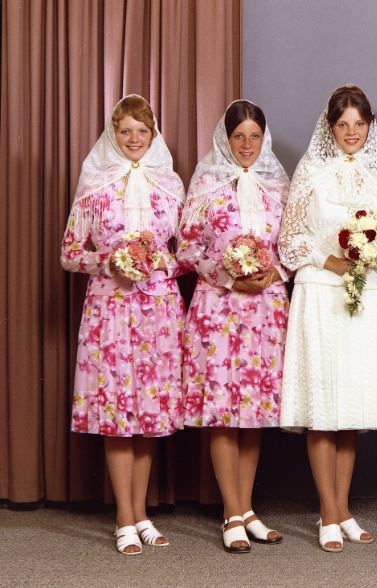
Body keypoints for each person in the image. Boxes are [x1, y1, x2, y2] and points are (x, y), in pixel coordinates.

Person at [61, 94, 185, 555]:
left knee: (148, 414)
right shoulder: (94, 187)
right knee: (117, 415)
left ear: (153, 136)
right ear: (113, 135)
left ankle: (142, 513)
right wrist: (108, 260)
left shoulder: (169, 185)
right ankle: (123, 517)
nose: (134, 139)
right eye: (126, 131)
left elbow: (183, 253)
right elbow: (70, 254)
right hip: (110, 312)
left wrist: (159, 261)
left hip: (158, 311)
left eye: (142, 131)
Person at [278, 86, 377, 553]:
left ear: (369, 128)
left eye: (359, 125)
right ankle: (327, 512)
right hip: (320, 294)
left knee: (352, 412)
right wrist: (331, 261)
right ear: (330, 128)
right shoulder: (312, 171)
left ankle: (344, 509)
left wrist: (371, 257)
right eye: (342, 125)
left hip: (364, 295)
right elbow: (290, 240)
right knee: (324, 409)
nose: (351, 133)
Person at [178, 100, 289, 554]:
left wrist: (273, 271)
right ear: (225, 140)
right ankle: (231, 512)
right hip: (219, 309)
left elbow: (292, 243)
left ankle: (247, 510)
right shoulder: (206, 185)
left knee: (253, 414)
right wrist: (228, 273)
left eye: (254, 137)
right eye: (238, 137)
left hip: (264, 310)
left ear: (265, 140)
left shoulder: (276, 186)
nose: (246, 145)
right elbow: (185, 249)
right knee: (223, 412)